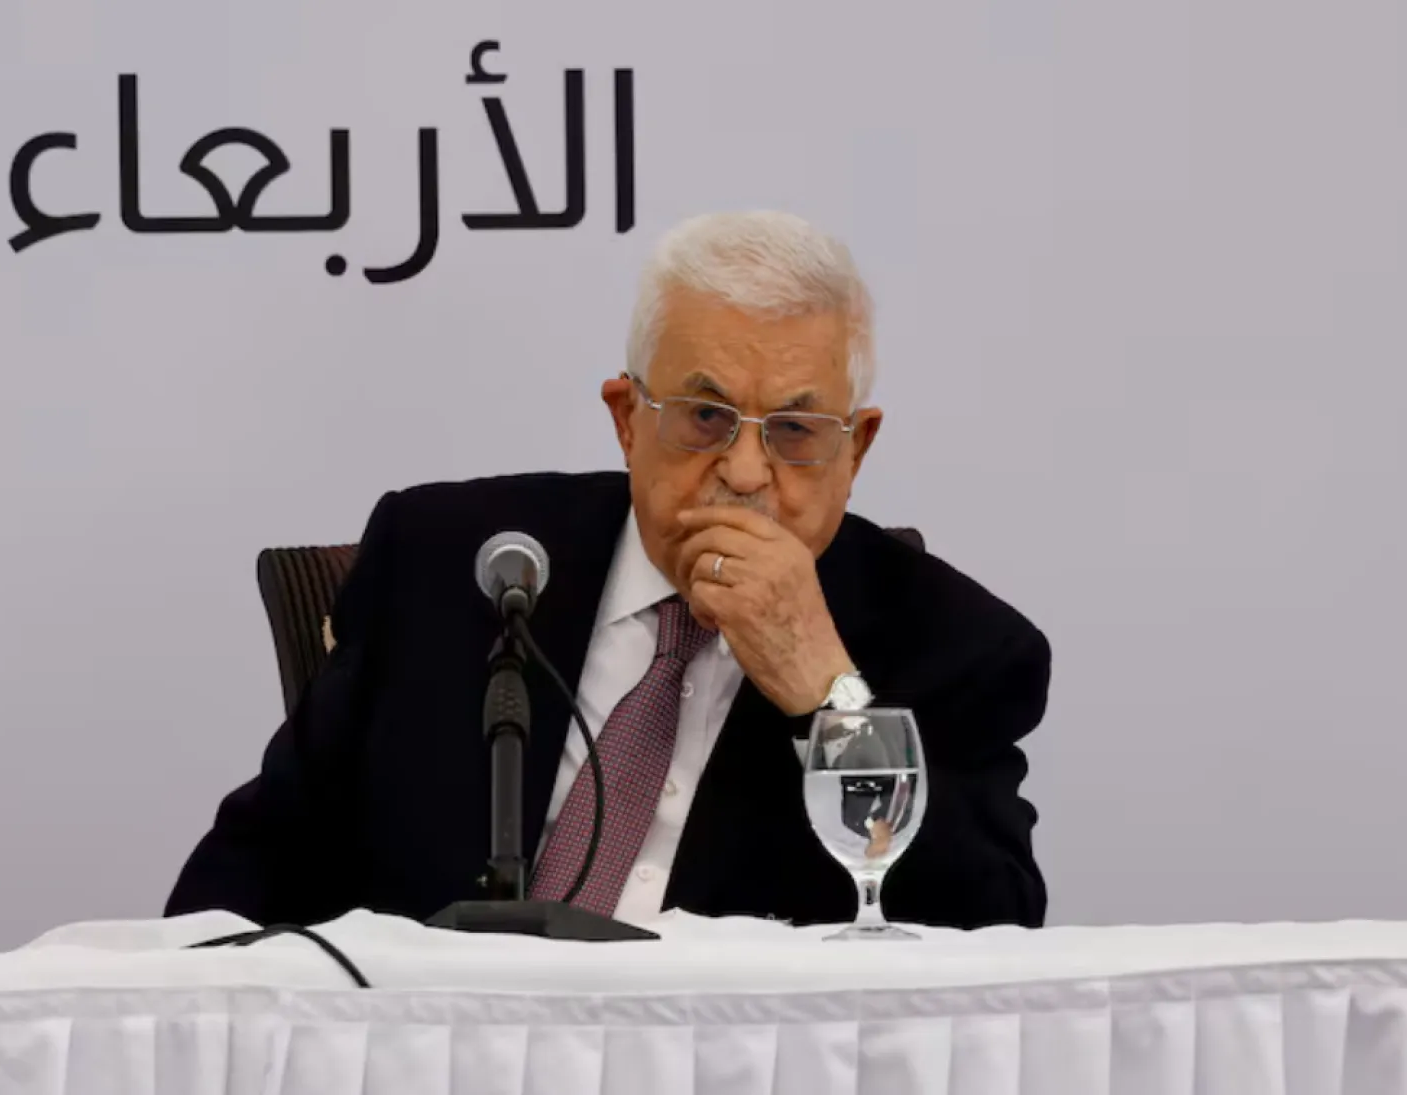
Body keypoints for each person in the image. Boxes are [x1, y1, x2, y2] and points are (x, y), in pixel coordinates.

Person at [166, 211, 1053, 931]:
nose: (746, 473)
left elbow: (987, 943)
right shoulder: (444, 564)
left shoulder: (951, 643)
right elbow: (231, 896)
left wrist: (828, 699)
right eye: (704, 416)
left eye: (794, 430)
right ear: (627, 419)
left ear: (854, 449)